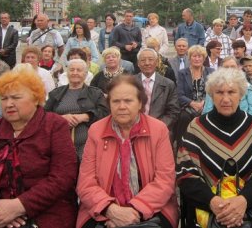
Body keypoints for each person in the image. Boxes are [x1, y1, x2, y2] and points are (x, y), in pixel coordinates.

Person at [0, 67, 78, 228]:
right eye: (4, 98)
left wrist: (19, 206)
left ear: (36, 98)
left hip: (43, 211)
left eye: (16, 97)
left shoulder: (54, 125)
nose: (9, 104)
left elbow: (63, 177)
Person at [176, 68, 252, 228]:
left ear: (241, 94)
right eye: (219, 92)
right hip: (207, 209)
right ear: (211, 95)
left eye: (231, 92)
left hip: (250, 210)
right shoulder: (196, 127)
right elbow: (186, 174)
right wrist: (213, 202)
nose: (226, 98)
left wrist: (243, 201)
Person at [76, 75, 178, 228]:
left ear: (140, 103)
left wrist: (134, 211)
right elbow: (86, 182)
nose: (121, 106)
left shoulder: (158, 130)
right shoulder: (96, 131)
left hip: (152, 210)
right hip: (102, 211)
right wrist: (110, 210)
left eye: (128, 101)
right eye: (116, 101)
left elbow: (165, 180)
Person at [45, 59, 109, 160]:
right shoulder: (56, 93)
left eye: (79, 70)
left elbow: (105, 114)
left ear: (85, 73)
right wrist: (61, 119)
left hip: (89, 146)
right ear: (67, 73)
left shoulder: (95, 93)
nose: (75, 73)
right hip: (59, 146)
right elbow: (43, 116)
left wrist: (85, 116)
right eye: (72, 70)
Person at [175, 45, 214, 148]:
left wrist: (204, 103)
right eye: (194, 56)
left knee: (210, 116)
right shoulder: (182, 73)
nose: (197, 59)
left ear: (204, 58)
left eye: (200, 56)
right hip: (188, 106)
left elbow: (213, 92)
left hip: (206, 105)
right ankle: (181, 147)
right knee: (183, 117)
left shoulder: (211, 72)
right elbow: (180, 94)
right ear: (189, 58)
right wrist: (192, 103)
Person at [136, 48, 180, 137]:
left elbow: (173, 111)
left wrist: (157, 125)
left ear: (156, 63)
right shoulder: (130, 83)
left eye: (151, 60)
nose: (147, 63)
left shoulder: (168, 84)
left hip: (160, 127)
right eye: (143, 60)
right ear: (138, 64)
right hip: (134, 127)